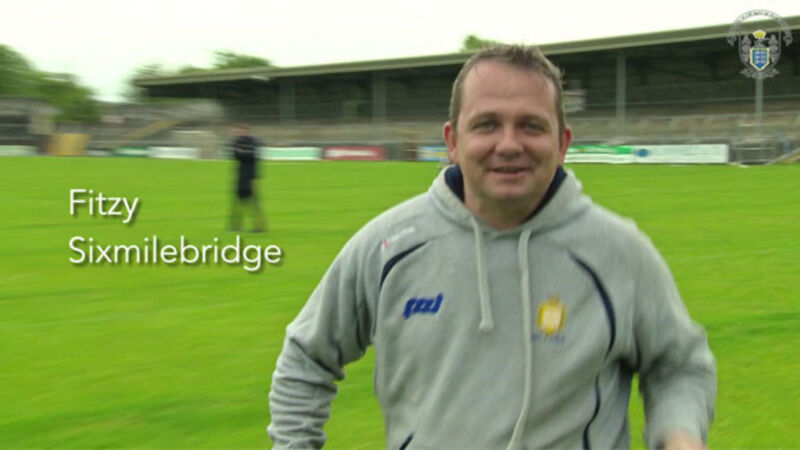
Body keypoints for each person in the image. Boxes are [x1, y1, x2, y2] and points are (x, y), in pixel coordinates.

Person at [268, 45, 716, 449]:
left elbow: (678, 366)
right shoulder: (388, 247)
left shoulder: (620, 253)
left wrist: (679, 434)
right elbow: (306, 356)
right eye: (487, 125)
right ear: (453, 141)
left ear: (562, 143)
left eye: (531, 126)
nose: (508, 145)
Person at [229, 123, 266, 232]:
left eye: (241, 131)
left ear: (247, 131)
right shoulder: (238, 142)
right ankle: (236, 226)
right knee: (237, 202)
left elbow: (251, 157)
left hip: (249, 176)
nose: (239, 133)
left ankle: (259, 226)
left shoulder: (252, 143)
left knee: (254, 202)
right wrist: (242, 153)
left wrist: (254, 178)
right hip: (240, 174)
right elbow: (236, 155)